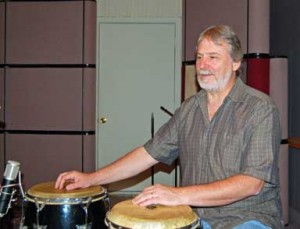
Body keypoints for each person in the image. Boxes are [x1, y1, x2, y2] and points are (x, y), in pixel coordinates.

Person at [55, 25, 283, 229]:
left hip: (247, 218)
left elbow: (251, 183)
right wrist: (91, 178)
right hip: (195, 217)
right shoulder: (189, 109)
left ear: (235, 63)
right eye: (199, 57)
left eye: (213, 57)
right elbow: (148, 153)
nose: (203, 65)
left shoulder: (260, 109)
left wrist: (177, 195)